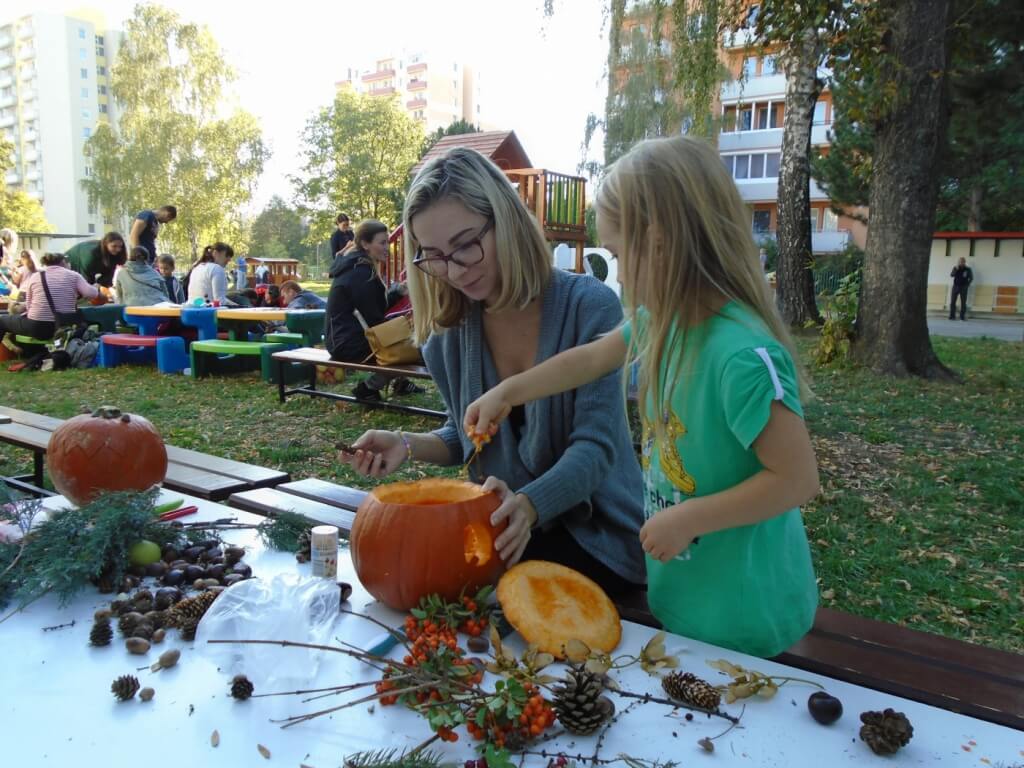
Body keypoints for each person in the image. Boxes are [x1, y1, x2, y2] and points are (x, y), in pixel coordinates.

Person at [464, 136, 820, 657]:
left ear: (660, 243)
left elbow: (796, 478)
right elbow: (589, 359)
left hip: (747, 615)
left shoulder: (741, 356)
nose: (619, 273)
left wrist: (689, 518)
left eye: (617, 251)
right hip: (686, 598)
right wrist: (508, 392)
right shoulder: (662, 322)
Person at [341, 149, 646, 596]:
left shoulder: (588, 307)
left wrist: (530, 505)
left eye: (466, 245)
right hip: (502, 533)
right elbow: (465, 433)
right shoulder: (445, 334)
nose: (454, 270)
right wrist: (406, 445)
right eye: (434, 256)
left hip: (600, 540)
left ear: (506, 220)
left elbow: (595, 449)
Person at [324, 220, 421, 401]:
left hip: (340, 338)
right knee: (411, 346)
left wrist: (398, 291)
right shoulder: (360, 273)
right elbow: (375, 320)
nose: (387, 248)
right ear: (365, 244)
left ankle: (399, 382)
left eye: (387, 243)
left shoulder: (357, 266)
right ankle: (368, 388)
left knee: (405, 341)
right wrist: (406, 327)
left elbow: (374, 307)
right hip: (346, 343)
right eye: (382, 243)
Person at [0, 252, 99, 344]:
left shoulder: (35, 276)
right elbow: (92, 294)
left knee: (2, 321)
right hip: (65, 328)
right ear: (63, 262)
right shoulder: (74, 276)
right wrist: (95, 287)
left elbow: (29, 306)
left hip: (38, 328)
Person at [949, 256, 973, 321]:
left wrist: (967, 285)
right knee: (953, 302)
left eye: (962, 261)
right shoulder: (955, 268)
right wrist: (956, 269)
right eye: (960, 261)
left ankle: (962, 317)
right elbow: (951, 275)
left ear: (965, 262)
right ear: (958, 262)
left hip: (963, 287)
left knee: (963, 302)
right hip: (955, 286)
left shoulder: (968, 269)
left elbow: (971, 278)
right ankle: (952, 316)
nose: (961, 263)